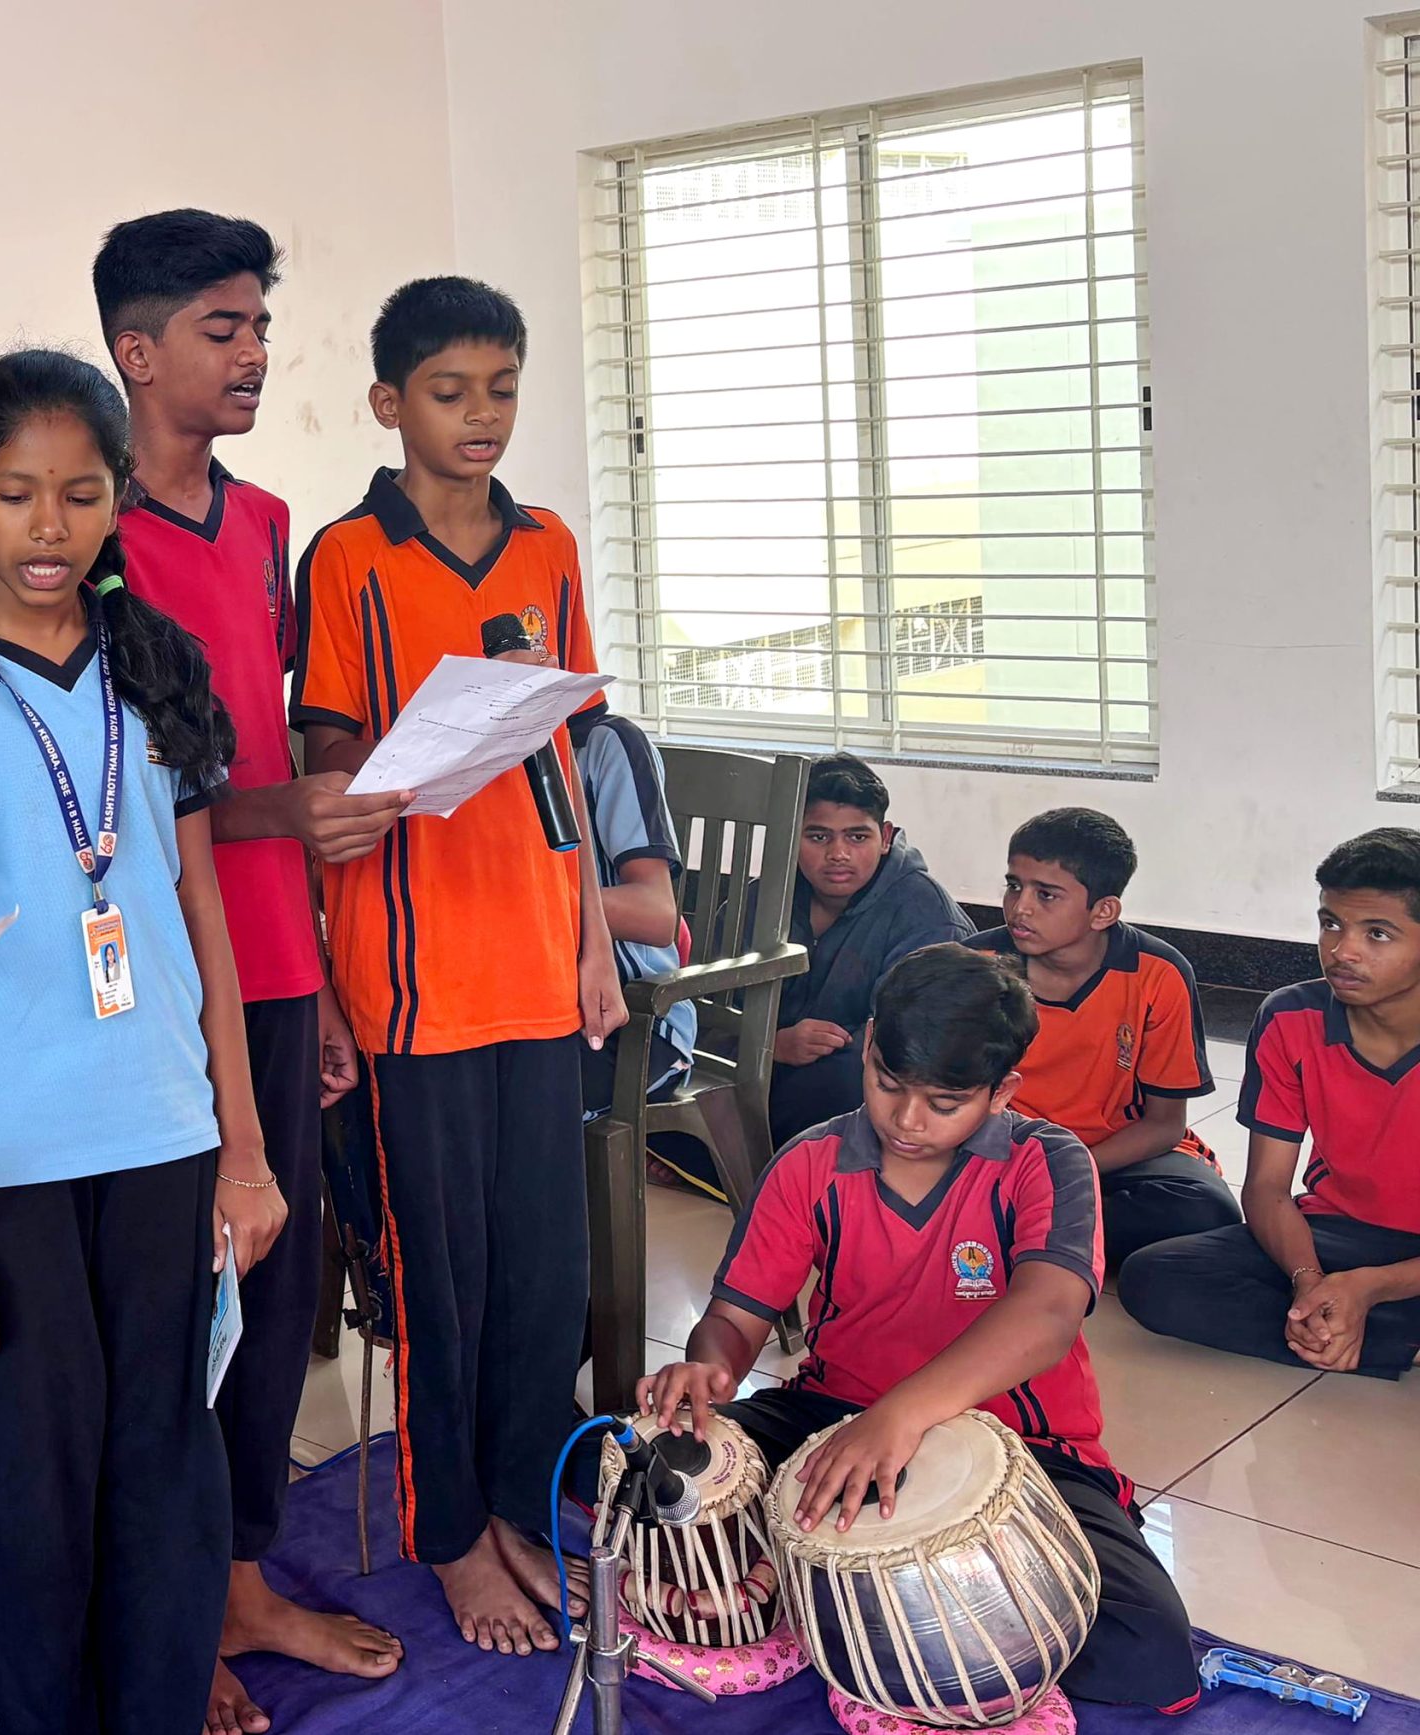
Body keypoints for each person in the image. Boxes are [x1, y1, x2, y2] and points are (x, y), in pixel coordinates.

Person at [0, 348, 284, 1735]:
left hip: (164, 1131)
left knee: (166, 1477)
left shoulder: (156, 664)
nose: (49, 527)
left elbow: (199, 914)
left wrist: (242, 1146)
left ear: (117, 500)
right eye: (15, 493)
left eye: (81, 495)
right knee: (29, 1507)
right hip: (4, 1163)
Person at [94, 207, 404, 1733]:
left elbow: (266, 742)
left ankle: (239, 1577)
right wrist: (282, 813)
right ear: (135, 350)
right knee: (178, 1306)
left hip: (280, 953)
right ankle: (168, 1604)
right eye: (222, 329)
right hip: (159, 976)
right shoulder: (86, 536)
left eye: (262, 326)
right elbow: (131, 793)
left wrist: (328, 976)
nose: (256, 354)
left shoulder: (268, 517)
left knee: (277, 1297)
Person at [292, 276, 625, 1658]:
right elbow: (322, 756)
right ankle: (449, 1536)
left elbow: (568, 754)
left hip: (540, 957)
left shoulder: (547, 547)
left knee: (544, 1270)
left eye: (500, 388)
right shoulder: (347, 557)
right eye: (448, 391)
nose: (479, 415)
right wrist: (385, 772)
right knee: (442, 1276)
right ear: (390, 402)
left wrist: (594, 935)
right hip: (414, 974)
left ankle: (523, 1498)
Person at [643, 944, 1198, 1711]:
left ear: (1002, 1092)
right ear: (870, 1045)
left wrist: (901, 1414)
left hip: (1023, 1445)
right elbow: (735, 1318)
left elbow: (1048, 1312)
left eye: (944, 1102)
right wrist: (711, 1368)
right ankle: (867, 1612)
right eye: (888, 1083)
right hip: (830, 1415)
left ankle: (808, 1603)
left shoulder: (1046, 1160)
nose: (907, 1119)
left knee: (1149, 1649)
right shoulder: (811, 1162)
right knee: (642, 1479)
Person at [1121, 828, 1420, 1378]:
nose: (1342, 951)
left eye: (1377, 933)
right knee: (1153, 1279)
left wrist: (1371, 1287)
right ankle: (1367, 1336)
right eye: (1331, 924)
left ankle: (1356, 1327)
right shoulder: (1290, 1017)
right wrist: (1309, 1282)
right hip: (1337, 1234)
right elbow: (1266, 1188)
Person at [965, 807, 1240, 1270]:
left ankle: (1014, 1227)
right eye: (1014, 886)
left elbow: (1164, 1125)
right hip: (1002, 1150)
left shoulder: (1158, 974)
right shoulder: (974, 964)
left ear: (1103, 911)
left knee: (1205, 1211)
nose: (1019, 907)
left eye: (1046, 894)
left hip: (1111, 1155)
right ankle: (1039, 1228)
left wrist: (1069, 1171)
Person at [766, 753, 971, 1141]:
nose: (838, 854)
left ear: (885, 837)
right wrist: (769, 1045)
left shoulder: (927, 916)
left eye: (857, 837)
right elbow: (714, 1006)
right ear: (791, 834)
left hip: (862, 1082)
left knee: (845, 1080)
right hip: (770, 1063)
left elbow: (912, 1040)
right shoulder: (762, 899)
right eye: (818, 837)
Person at [569, 698, 690, 1120]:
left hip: (631, 1021)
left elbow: (656, 914)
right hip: (525, 1005)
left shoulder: (606, 743)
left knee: (508, 1105)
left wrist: (523, 905)